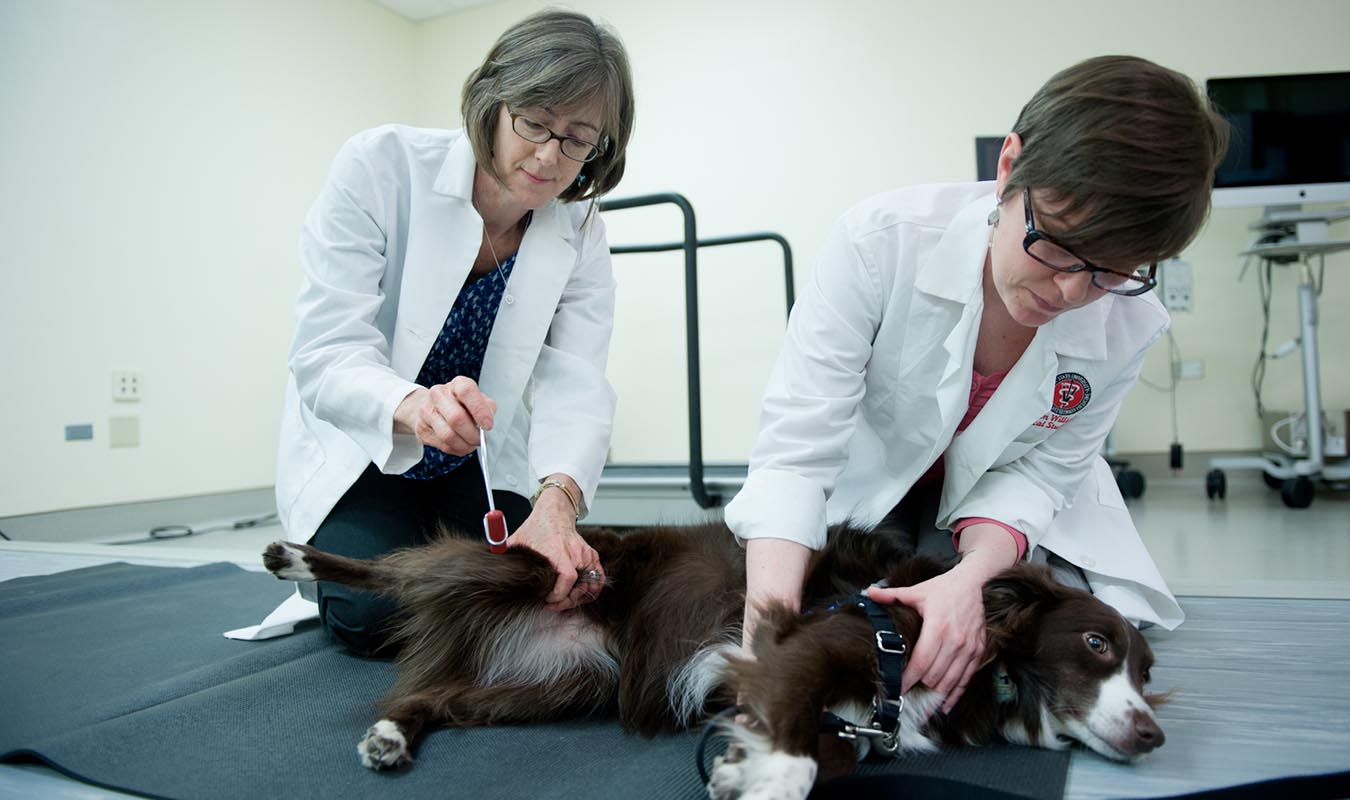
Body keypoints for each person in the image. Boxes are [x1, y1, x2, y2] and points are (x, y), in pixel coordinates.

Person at [725, 56, 1228, 712]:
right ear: (1008, 166)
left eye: (1111, 268)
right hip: (865, 482)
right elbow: (797, 451)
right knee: (845, 600)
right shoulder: (878, 243)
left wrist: (970, 577)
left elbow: (1041, 475)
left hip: (998, 510)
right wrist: (764, 648)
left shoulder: (1127, 317)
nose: (1072, 291)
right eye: (1057, 245)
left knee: (989, 623)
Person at [272, 9, 635, 656]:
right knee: (378, 617)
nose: (550, 156)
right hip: (369, 442)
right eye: (534, 123)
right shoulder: (380, 166)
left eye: (578, 138)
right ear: (492, 102)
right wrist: (412, 405)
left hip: (479, 457)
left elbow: (576, 380)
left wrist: (557, 502)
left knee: (526, 594)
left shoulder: (578, 230)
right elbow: (326, 353)